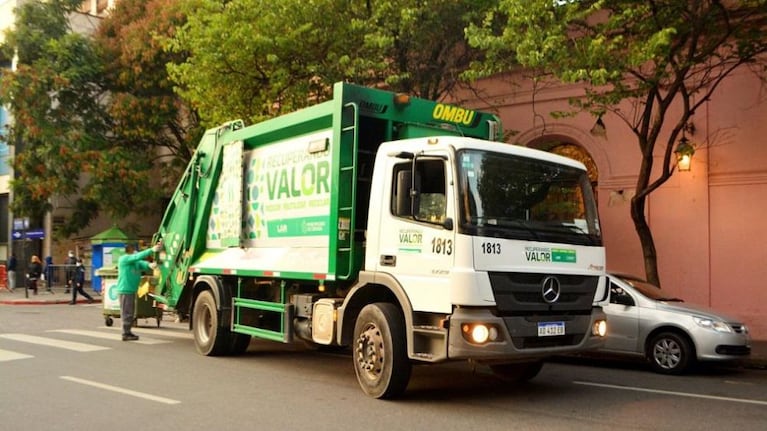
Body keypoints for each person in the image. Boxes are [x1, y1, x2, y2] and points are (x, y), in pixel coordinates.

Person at [117, 242, 162, 341]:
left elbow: (143, 263)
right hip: (125, 290)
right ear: (130, 251)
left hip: (131, 290)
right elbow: (137, 257)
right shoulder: (124, 259)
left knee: (130, 312)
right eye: (134, 249)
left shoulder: (136, 262)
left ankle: (128, 331)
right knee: (127, 312)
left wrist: (150, 265)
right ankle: (125, 333)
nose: (135, 251)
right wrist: (151, 250)